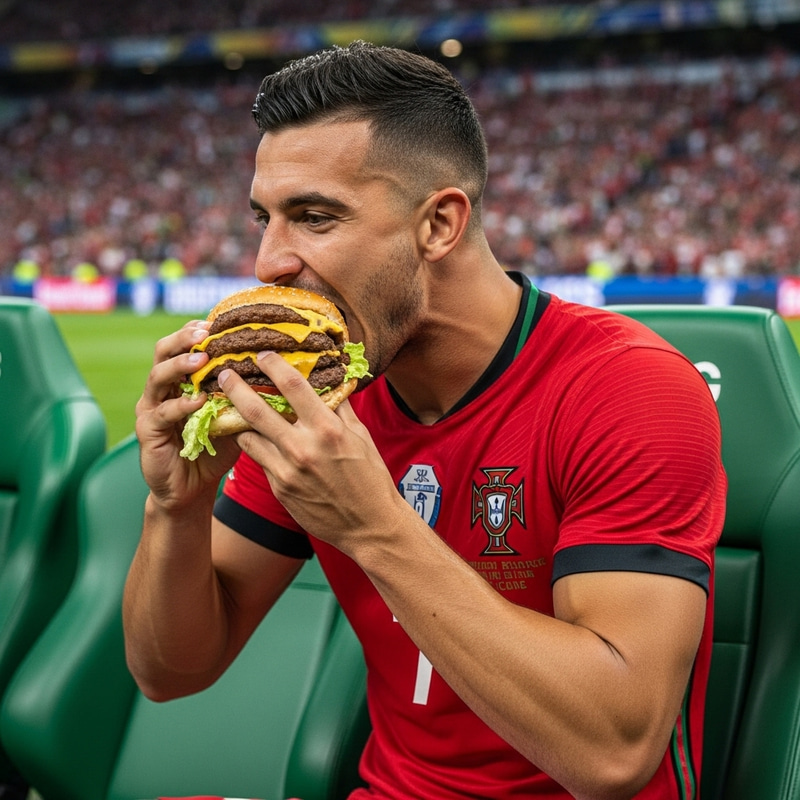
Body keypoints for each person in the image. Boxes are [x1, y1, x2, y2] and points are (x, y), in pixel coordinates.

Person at [125, 40, 726, 799]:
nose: (269, 261)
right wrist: (175, 504)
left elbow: (612, 754)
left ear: (439, 225)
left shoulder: (626, 388)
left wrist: (375, 527)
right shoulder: (324, 393)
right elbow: (170, 671)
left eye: (314, 218)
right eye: (264, 219)